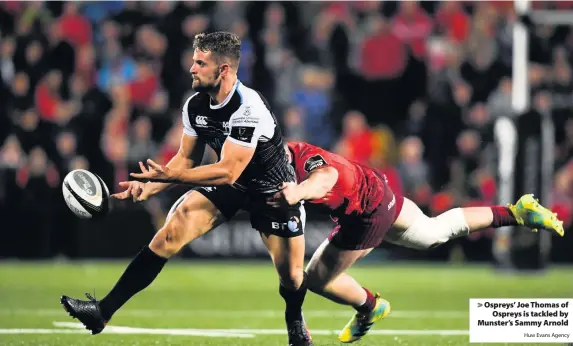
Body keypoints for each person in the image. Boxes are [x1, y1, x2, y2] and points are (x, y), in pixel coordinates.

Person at [60, 32, 313, 346]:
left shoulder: (249, 107)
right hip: (232, 185)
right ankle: (102, 312)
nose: (191, 68)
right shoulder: (195, 106)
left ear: (223, 70)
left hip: (273, 191)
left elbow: (227, 168)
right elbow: (185, 160)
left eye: (200, 63)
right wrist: (149, 187)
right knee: (170, 232)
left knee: (291, 276)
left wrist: (165, 178)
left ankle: (294, 320)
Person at [268, 141, 564, 344]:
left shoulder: (303, 166)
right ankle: (515, 212)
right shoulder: (291, 149)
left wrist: (297, 192)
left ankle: (370, 306)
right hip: (377, 188)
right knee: (432, 233)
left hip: (367, 212)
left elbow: (326, 177)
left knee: (317, 279)